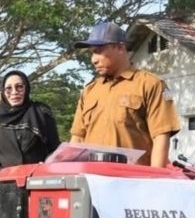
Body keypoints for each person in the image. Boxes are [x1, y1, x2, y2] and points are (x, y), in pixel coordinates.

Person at [69, 21, 181, 167]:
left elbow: (161, 137)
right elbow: (77, 139)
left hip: (132, 177)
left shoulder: (149, 84)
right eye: (92, 53)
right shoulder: (90, 91)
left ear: (120, 48)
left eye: (99, 51)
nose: (94, 60)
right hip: (93, 177)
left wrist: (156, 178)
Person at [0, 71, 60, 178]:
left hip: (39, 180)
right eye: (9, 88)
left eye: (19, 87)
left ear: (26, 88)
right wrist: (4, 175)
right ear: (3, 91)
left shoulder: (41, 112)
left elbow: (55, 151)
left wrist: (44, 169)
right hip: (5, 182)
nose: (14, 92)